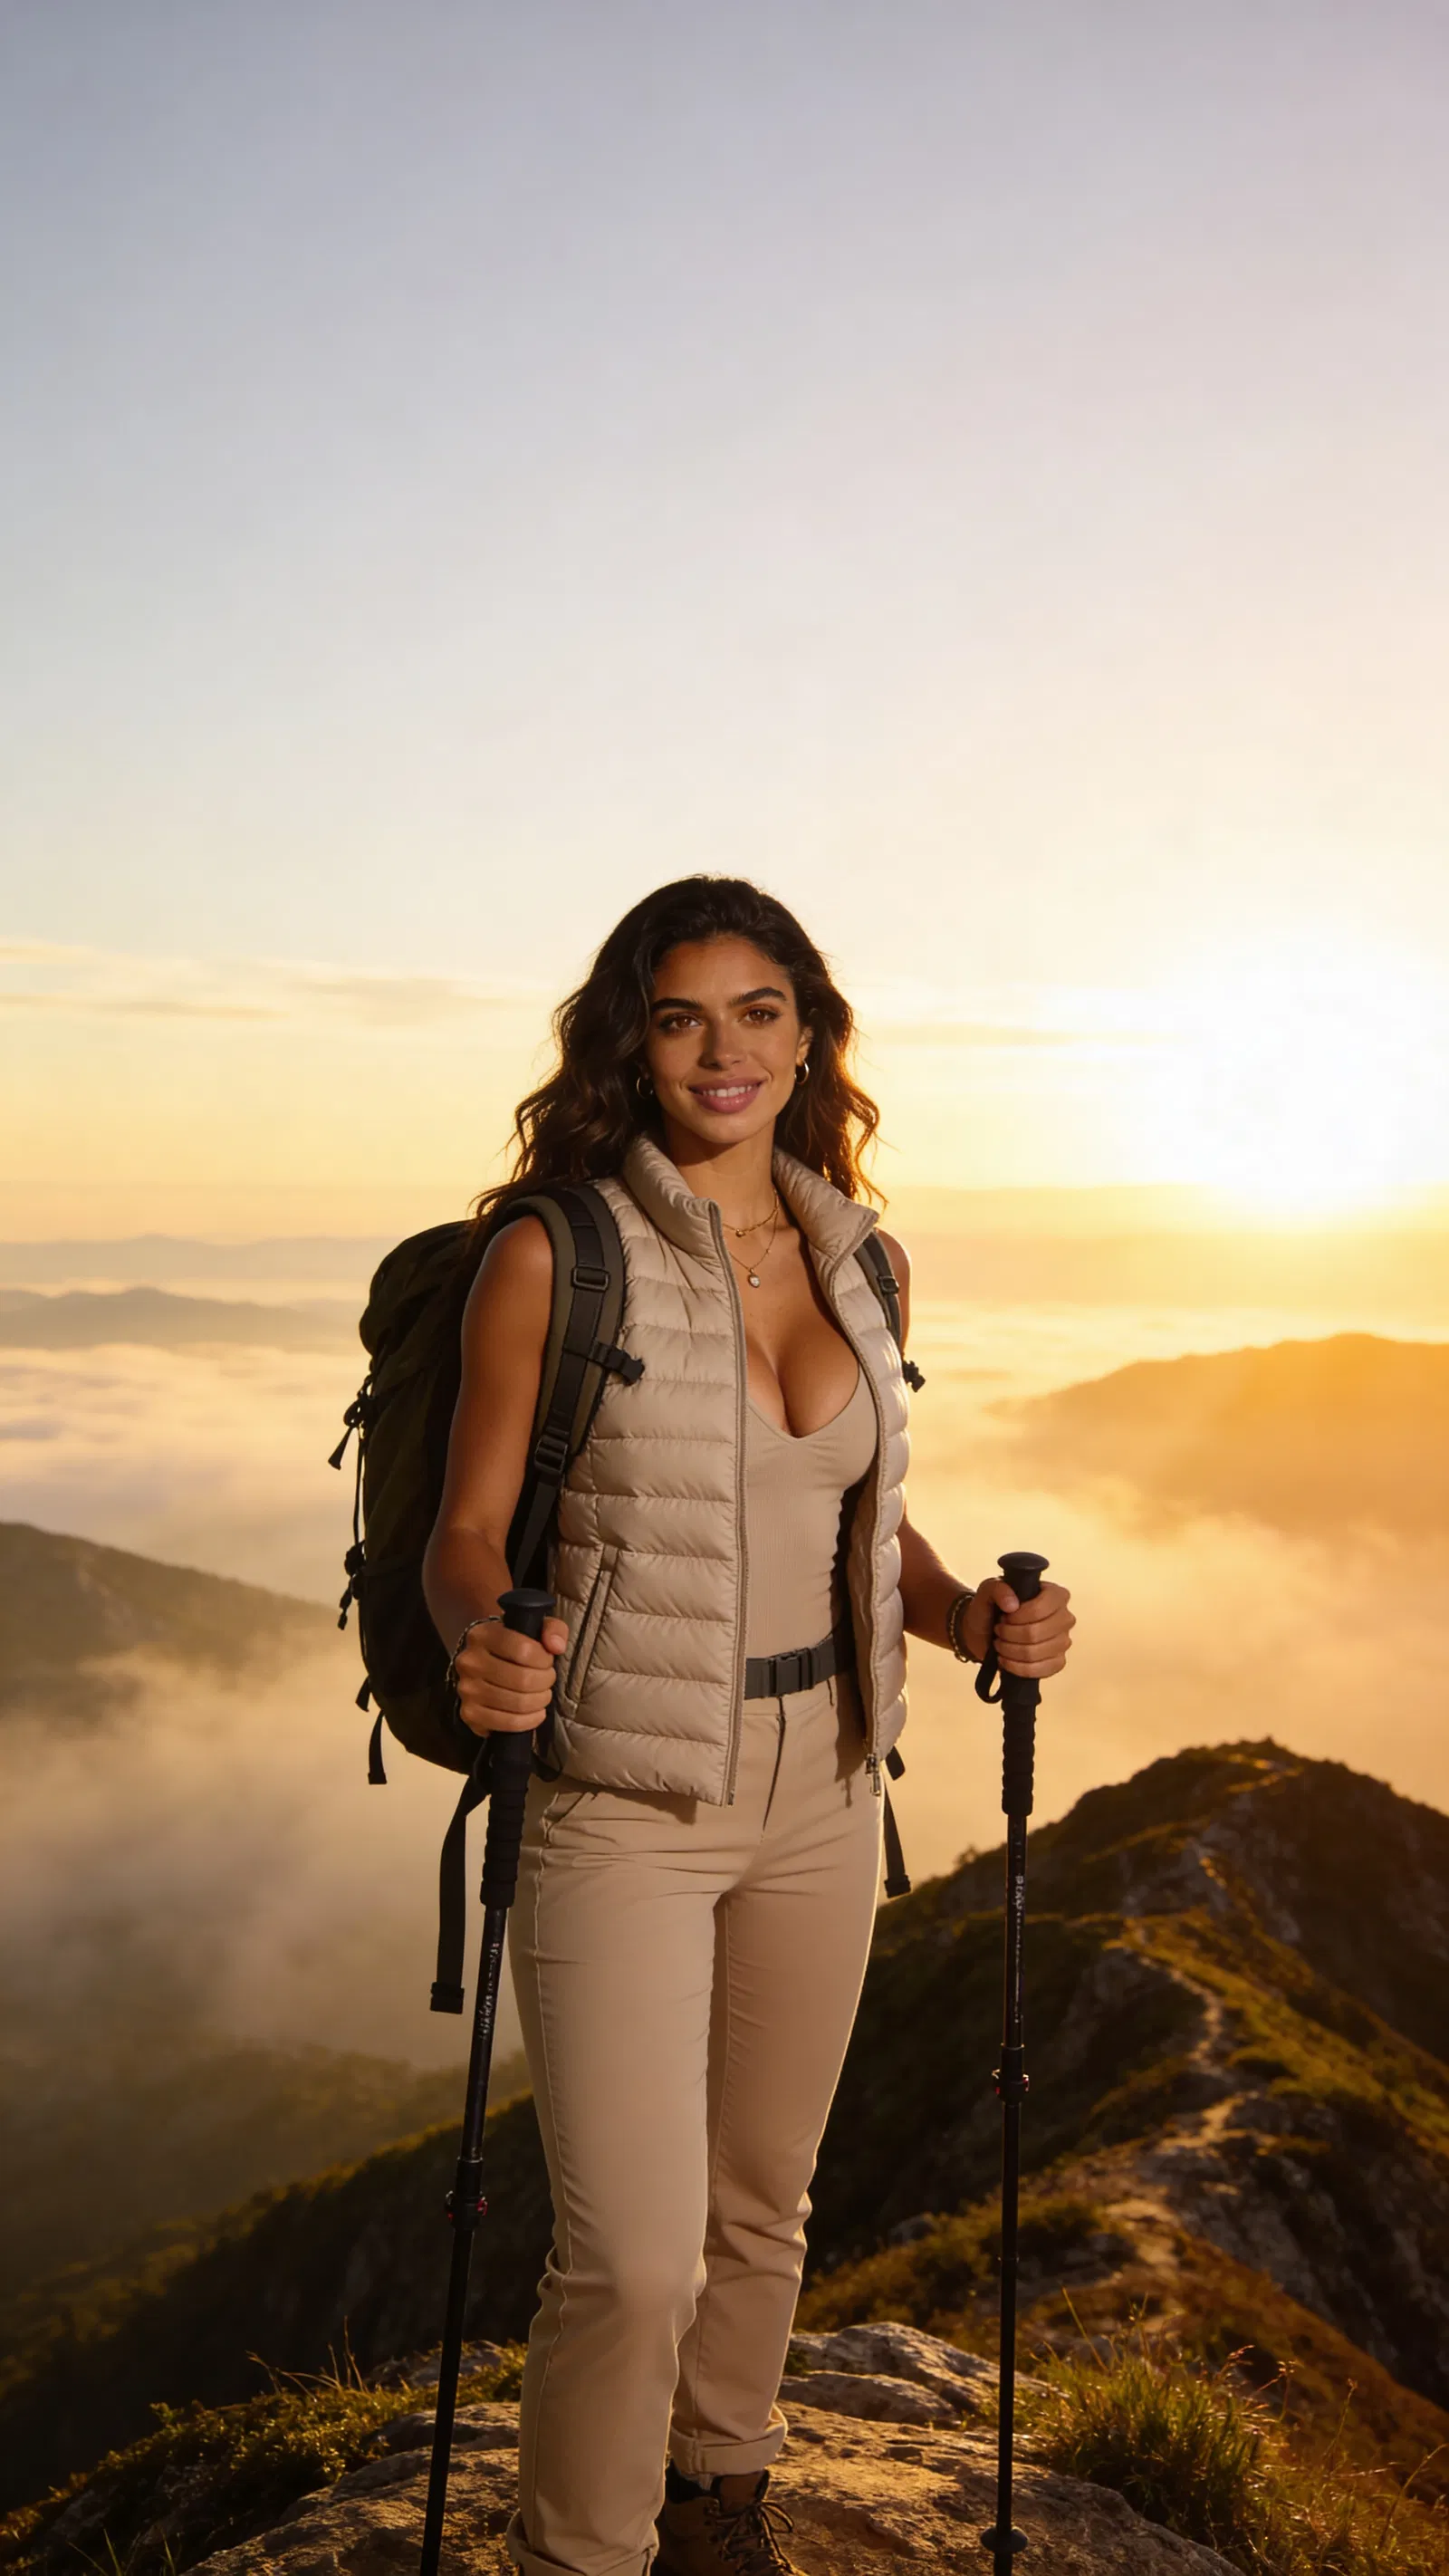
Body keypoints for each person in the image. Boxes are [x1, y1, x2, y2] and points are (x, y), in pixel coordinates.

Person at [423, 877, 1074, 2576]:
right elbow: (463, 1534)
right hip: (621, 1796)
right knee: (632, 2258)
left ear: (807, 1034)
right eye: (682, 1017)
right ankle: (581, 2554)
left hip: (830, 1781)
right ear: (631, 1045)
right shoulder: (555, 1256)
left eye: (758, 1012)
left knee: (762, 2200)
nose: (724, 1050)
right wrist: (484, 1640)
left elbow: (859, 1523)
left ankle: (720, 2499)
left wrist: (973, 1619)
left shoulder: (866, 1260)